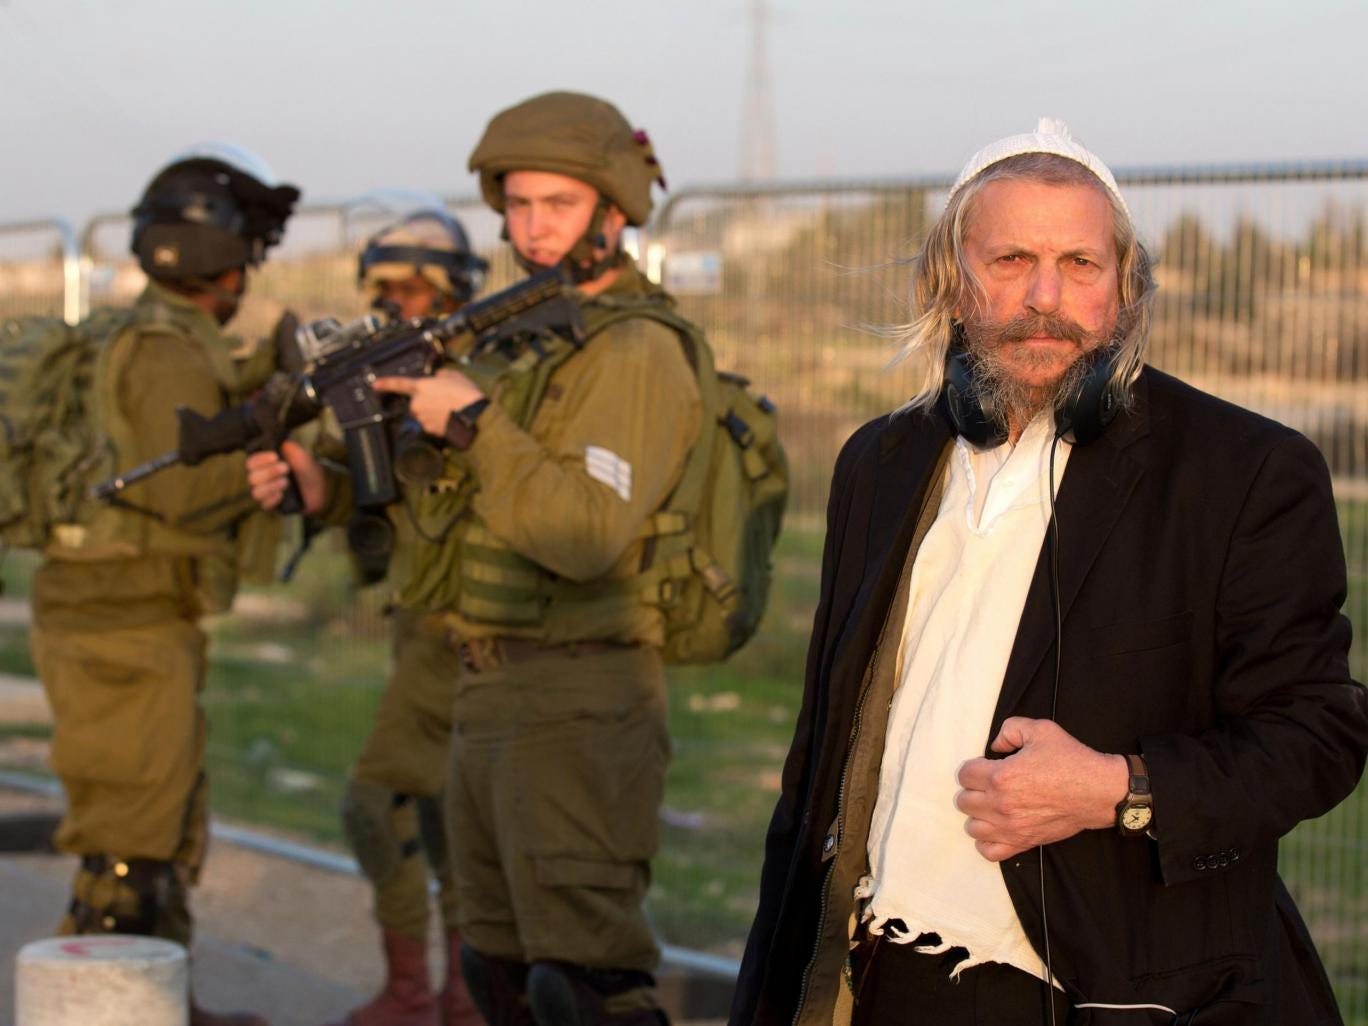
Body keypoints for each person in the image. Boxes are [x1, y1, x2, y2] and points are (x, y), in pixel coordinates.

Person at [729, 119, 1368, 1026]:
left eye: (1080, 264)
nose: (1045, 297)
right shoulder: (878, 460)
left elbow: (1317, 736)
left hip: (1109, 993)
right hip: (887, 972)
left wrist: (1121, 788)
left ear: (1126, 288)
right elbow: (822, 756)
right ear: (950, 282)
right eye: (1011, 260)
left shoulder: (1241, 470)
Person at [249, 92, 700, 1026]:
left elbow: (586, 533)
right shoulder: (520, 339)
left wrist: (476, 422)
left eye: (559, 204)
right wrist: (325, 486)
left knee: (584, 988)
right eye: (519, 205)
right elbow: (449, 512)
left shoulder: (635, 348)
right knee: (497, 975)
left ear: (614, 208)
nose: (534, 228)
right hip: (481, 686)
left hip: (579, 697)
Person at [30, 143, 298, 1026]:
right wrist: (272, 459)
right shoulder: (165, 349)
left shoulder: (146, 334)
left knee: (158, 822)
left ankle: (164, 1004)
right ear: (222, 257)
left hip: (119, 611)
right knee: (129, 848)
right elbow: (179, 487)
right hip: (125, 619)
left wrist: (268, 383)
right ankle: (101, 1009)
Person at [316, 205, 489, 1026]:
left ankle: (433, 994)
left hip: (464, 630)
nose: (400, 307)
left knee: (382, 805)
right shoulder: (382, 384)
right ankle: (440, 995)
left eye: (418, 291)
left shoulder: (475, 381)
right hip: (418, 629)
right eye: (387, 291)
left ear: (453, 295)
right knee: (434, 816)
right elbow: (365, 510)